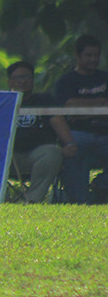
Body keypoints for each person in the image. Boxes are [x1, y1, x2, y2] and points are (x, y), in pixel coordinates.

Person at [6, 61, 76, 203]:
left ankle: (32, 201)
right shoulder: (2, 102)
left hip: (36, 155)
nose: (23, 81)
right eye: (19, 78)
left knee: (52, 153)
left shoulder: (44, 100)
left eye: (27, 77)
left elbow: (58, 122)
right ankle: (1, 201)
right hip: (8, 157)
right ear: (10, 82)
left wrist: (69, 143)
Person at [54, 34, 108, 204]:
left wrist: (83, 110)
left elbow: (76, 108)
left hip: (105, 133)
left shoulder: (105, 78)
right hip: (78, 133)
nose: (93, 59)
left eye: (96, 55)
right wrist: (100, 103)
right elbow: (69, 106)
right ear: (77, 56)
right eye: (88, 55)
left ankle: (101, 185)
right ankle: (80, 201)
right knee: (71, 153)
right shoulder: (66, 81)